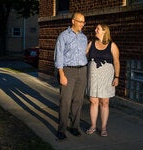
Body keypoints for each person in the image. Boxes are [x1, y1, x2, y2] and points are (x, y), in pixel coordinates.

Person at [54, 12, 88, 141]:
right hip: (68, 71)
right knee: (65, 101)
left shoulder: (84, 38)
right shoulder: (64, 36)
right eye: (80, 21)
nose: (82, 24)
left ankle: (74, 127)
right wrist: (61, 74)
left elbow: (83, 54)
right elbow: (59, 56)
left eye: (84, 22)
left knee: (78, 101)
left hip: (82, 71)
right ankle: (61, 129)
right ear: (73, 21)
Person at [85, 24, 120, 137]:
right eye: (95, 28)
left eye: (98, 29)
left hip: (107, 77)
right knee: (93, 101)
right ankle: (93, 126)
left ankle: (103, 127)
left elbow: (116, 62)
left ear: (104, 31)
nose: (95, 30)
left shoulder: (112, 45)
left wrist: (117, 77)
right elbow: (83, 57)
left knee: (104, 103)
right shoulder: (91, 43)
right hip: (93, 77)